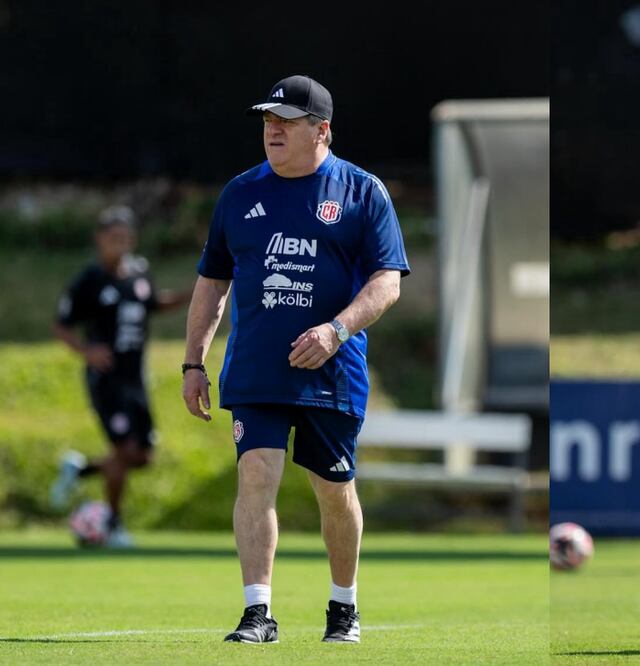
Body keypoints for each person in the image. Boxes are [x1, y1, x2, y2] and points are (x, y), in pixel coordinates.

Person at [181, 75, 410, 644]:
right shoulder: (239, 193)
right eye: (267, 121)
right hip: (256, 368)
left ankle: (343, 606)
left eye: (286, 121)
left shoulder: (361, 191)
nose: (273, 130)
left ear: (322, 130)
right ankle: (258, 613)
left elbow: (387, 282)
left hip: (332, 371)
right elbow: (212, 283)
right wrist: (193, 362)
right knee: (256, 473)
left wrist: (337, 331)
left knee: (334, 490)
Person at [50, 205, 187, 545]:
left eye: (125, 238)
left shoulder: (139, 272)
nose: (120, 244)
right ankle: (112, 525)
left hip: (135, 378)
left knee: (142, 456)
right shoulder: (90, 279)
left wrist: (196, 293)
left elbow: (154, 303)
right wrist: (88, 352)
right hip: (107, 379)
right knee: (125, 450)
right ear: (100, 239)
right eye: (113, 238)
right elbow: (61, 325)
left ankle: (80, 470)